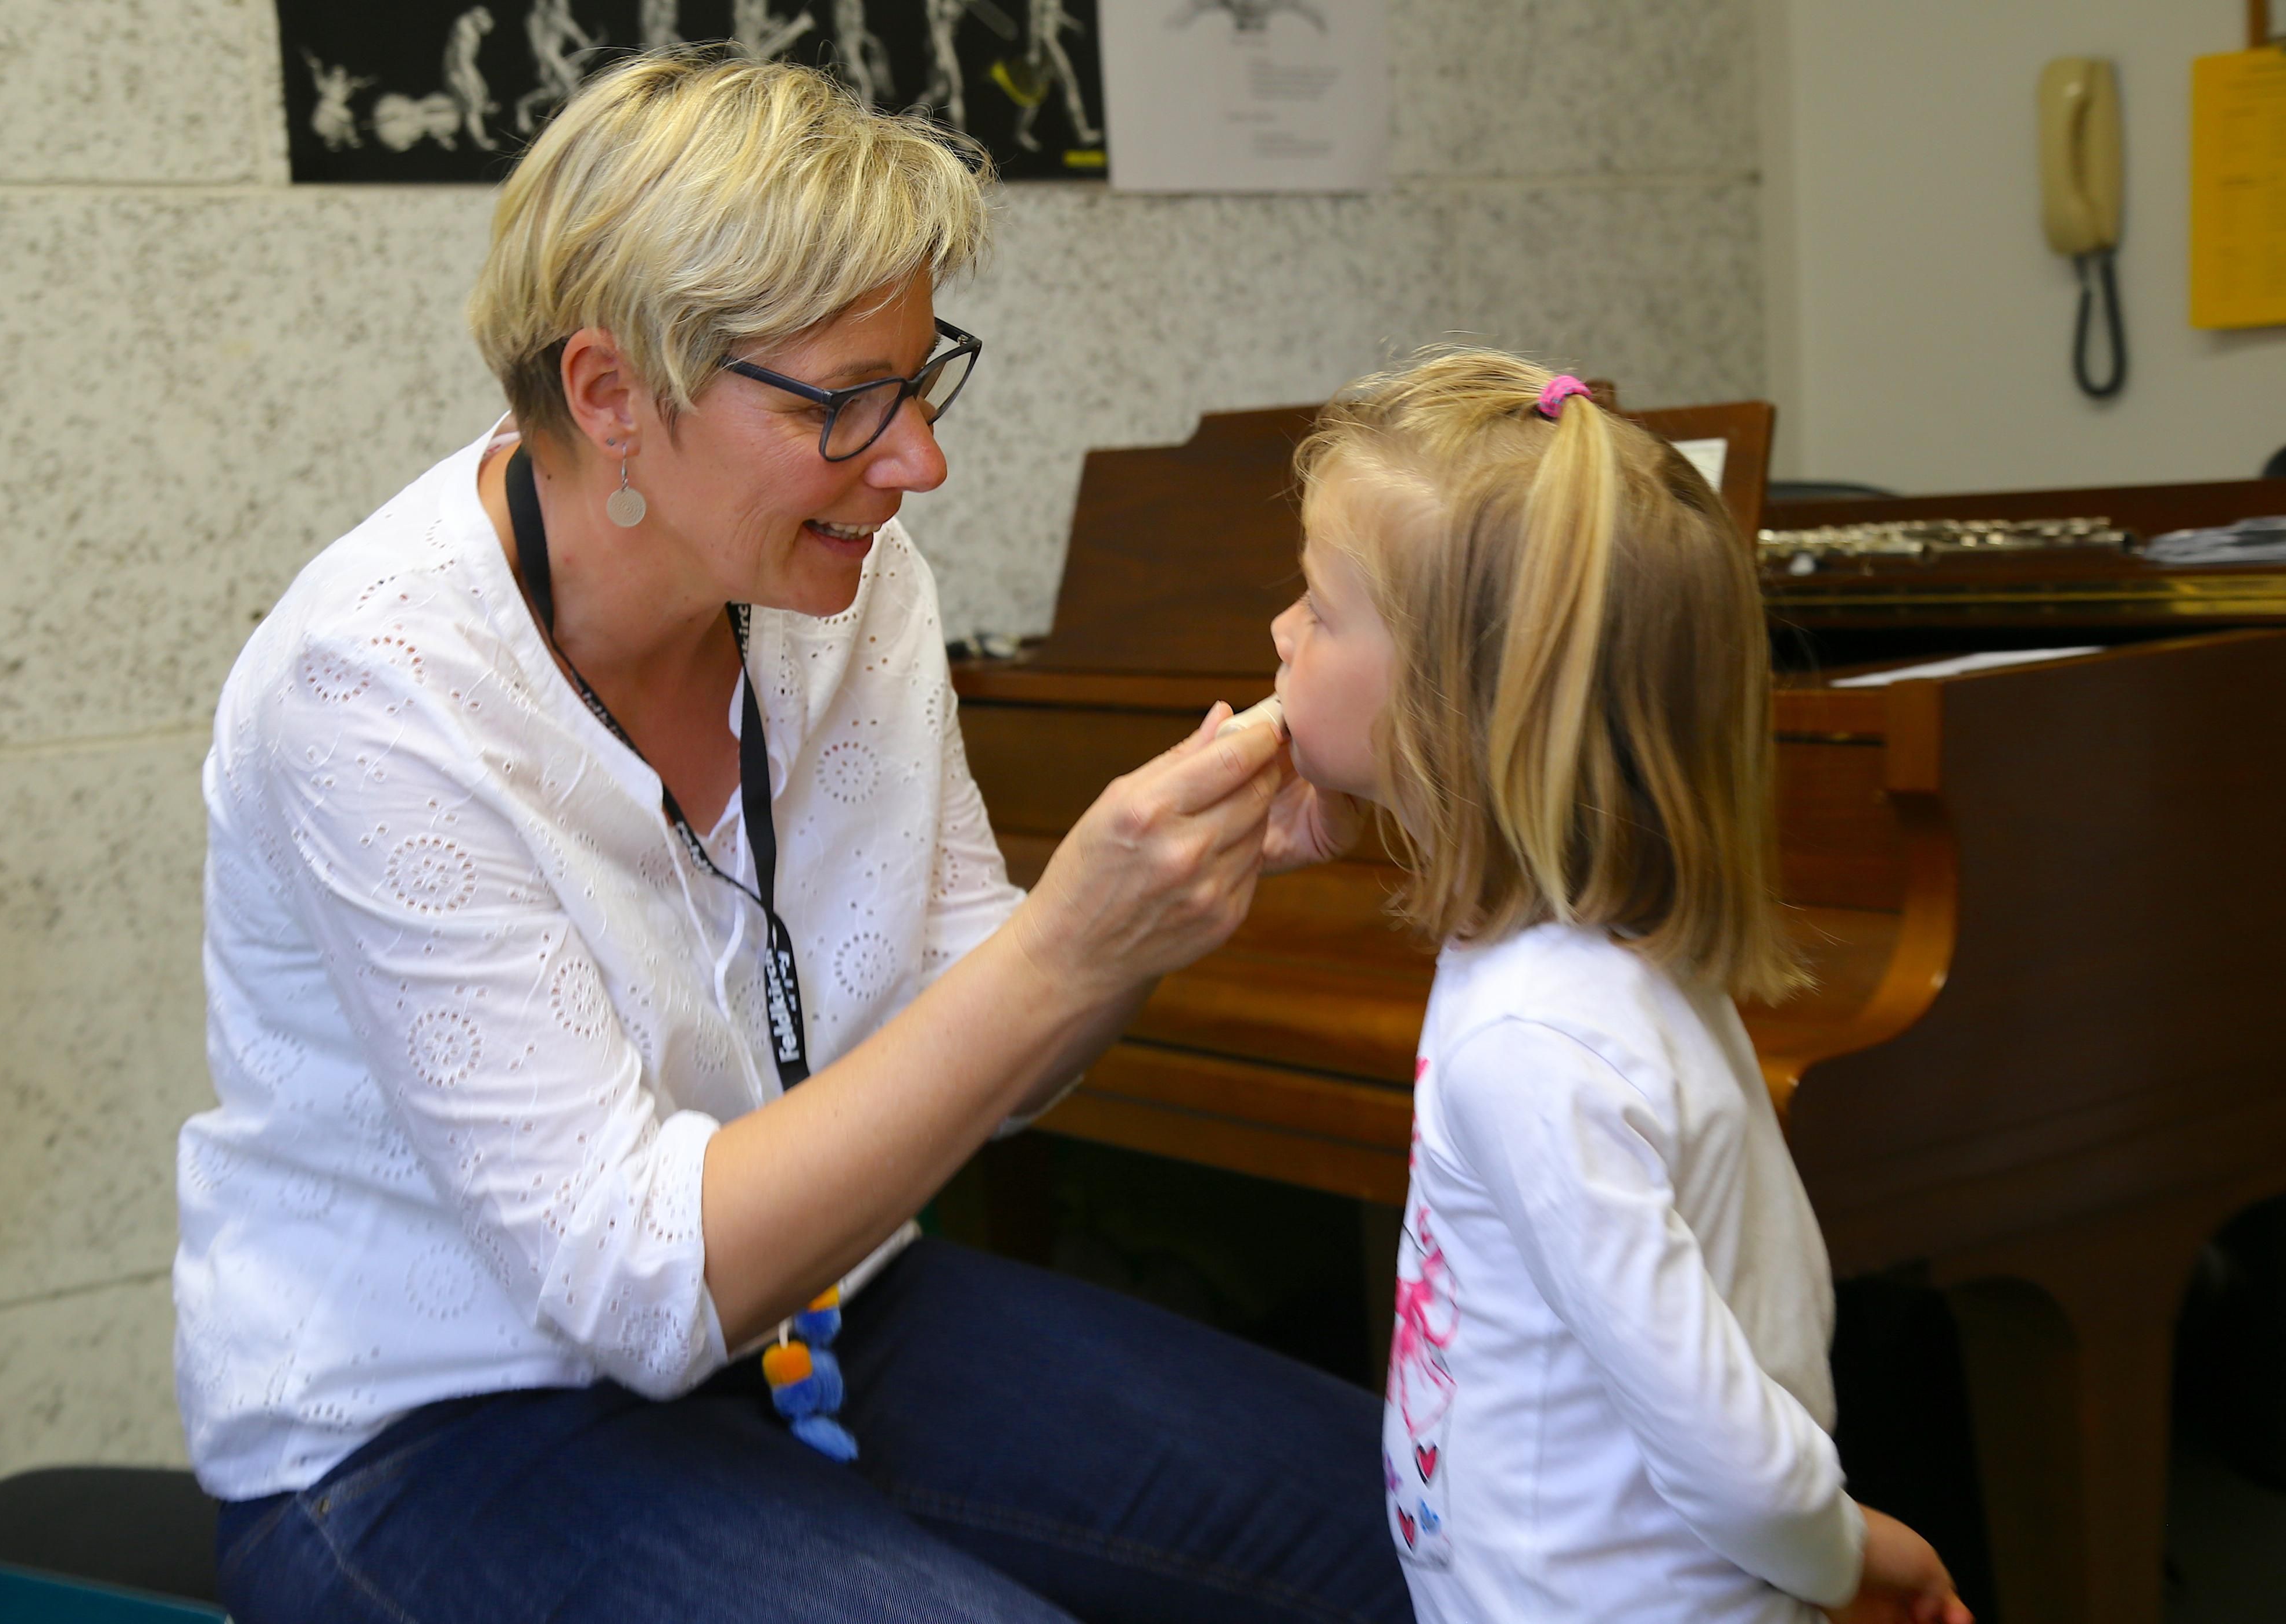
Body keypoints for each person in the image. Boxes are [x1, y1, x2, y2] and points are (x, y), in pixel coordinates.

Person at [175, 52, 1407, 1624]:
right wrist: (1067, 946)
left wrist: (1143, 919)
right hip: (434, 1425)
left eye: (921, 377)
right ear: (610, 395)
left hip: (813, 1307)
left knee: (1409, 1523)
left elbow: (988, 1040)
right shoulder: (373, 686)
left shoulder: (849, 575)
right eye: (842, 403)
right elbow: (635, 1286)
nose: (917, 460)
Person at [1263, 349, 1974, 1624]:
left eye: (1318, 609)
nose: (1281, 630)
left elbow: (1735, 1459)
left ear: (1456, 705)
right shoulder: (1596, 958)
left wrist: (1850, 1555)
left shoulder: (1533, 1042)